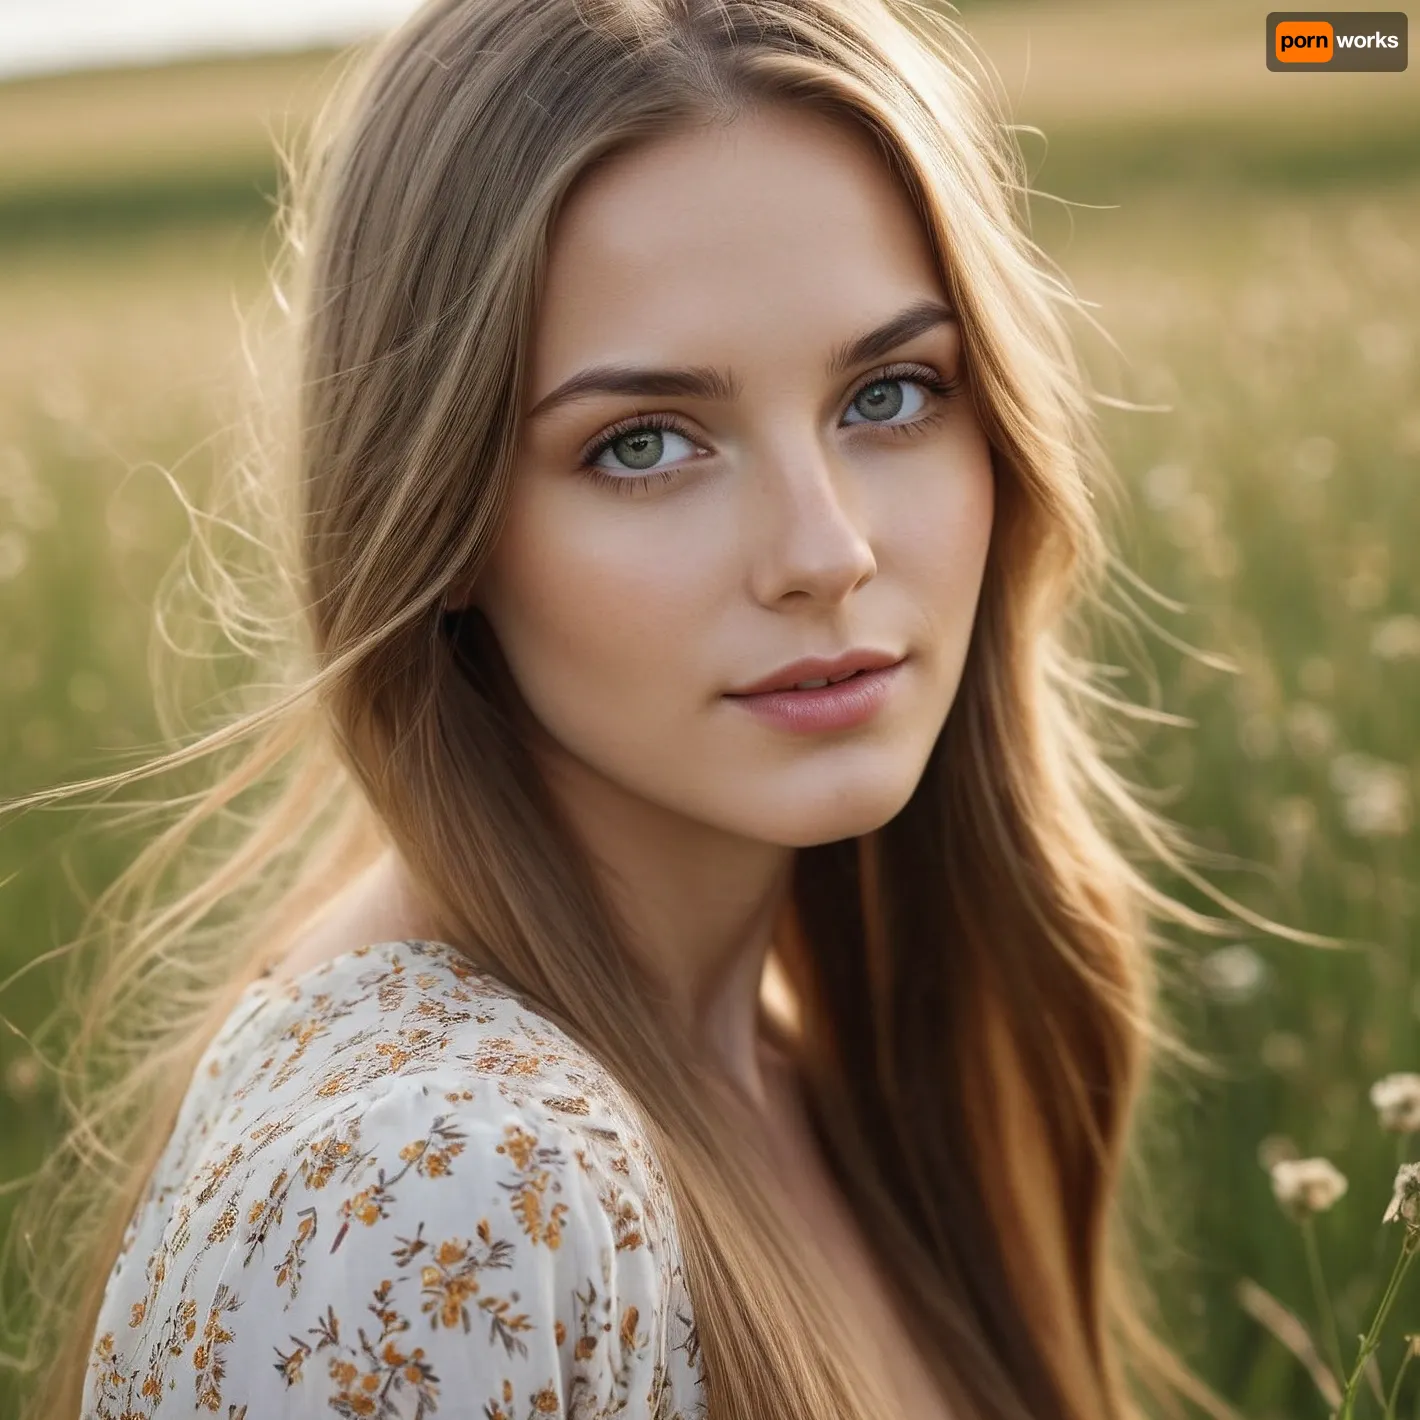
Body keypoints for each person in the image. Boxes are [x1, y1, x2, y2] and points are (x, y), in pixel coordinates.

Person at [3, 1, 1262, 1417]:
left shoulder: (796, 1063)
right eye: (645, 443)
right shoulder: (437, 1196)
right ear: (440, 520)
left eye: (891, 392)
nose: (825, 551)